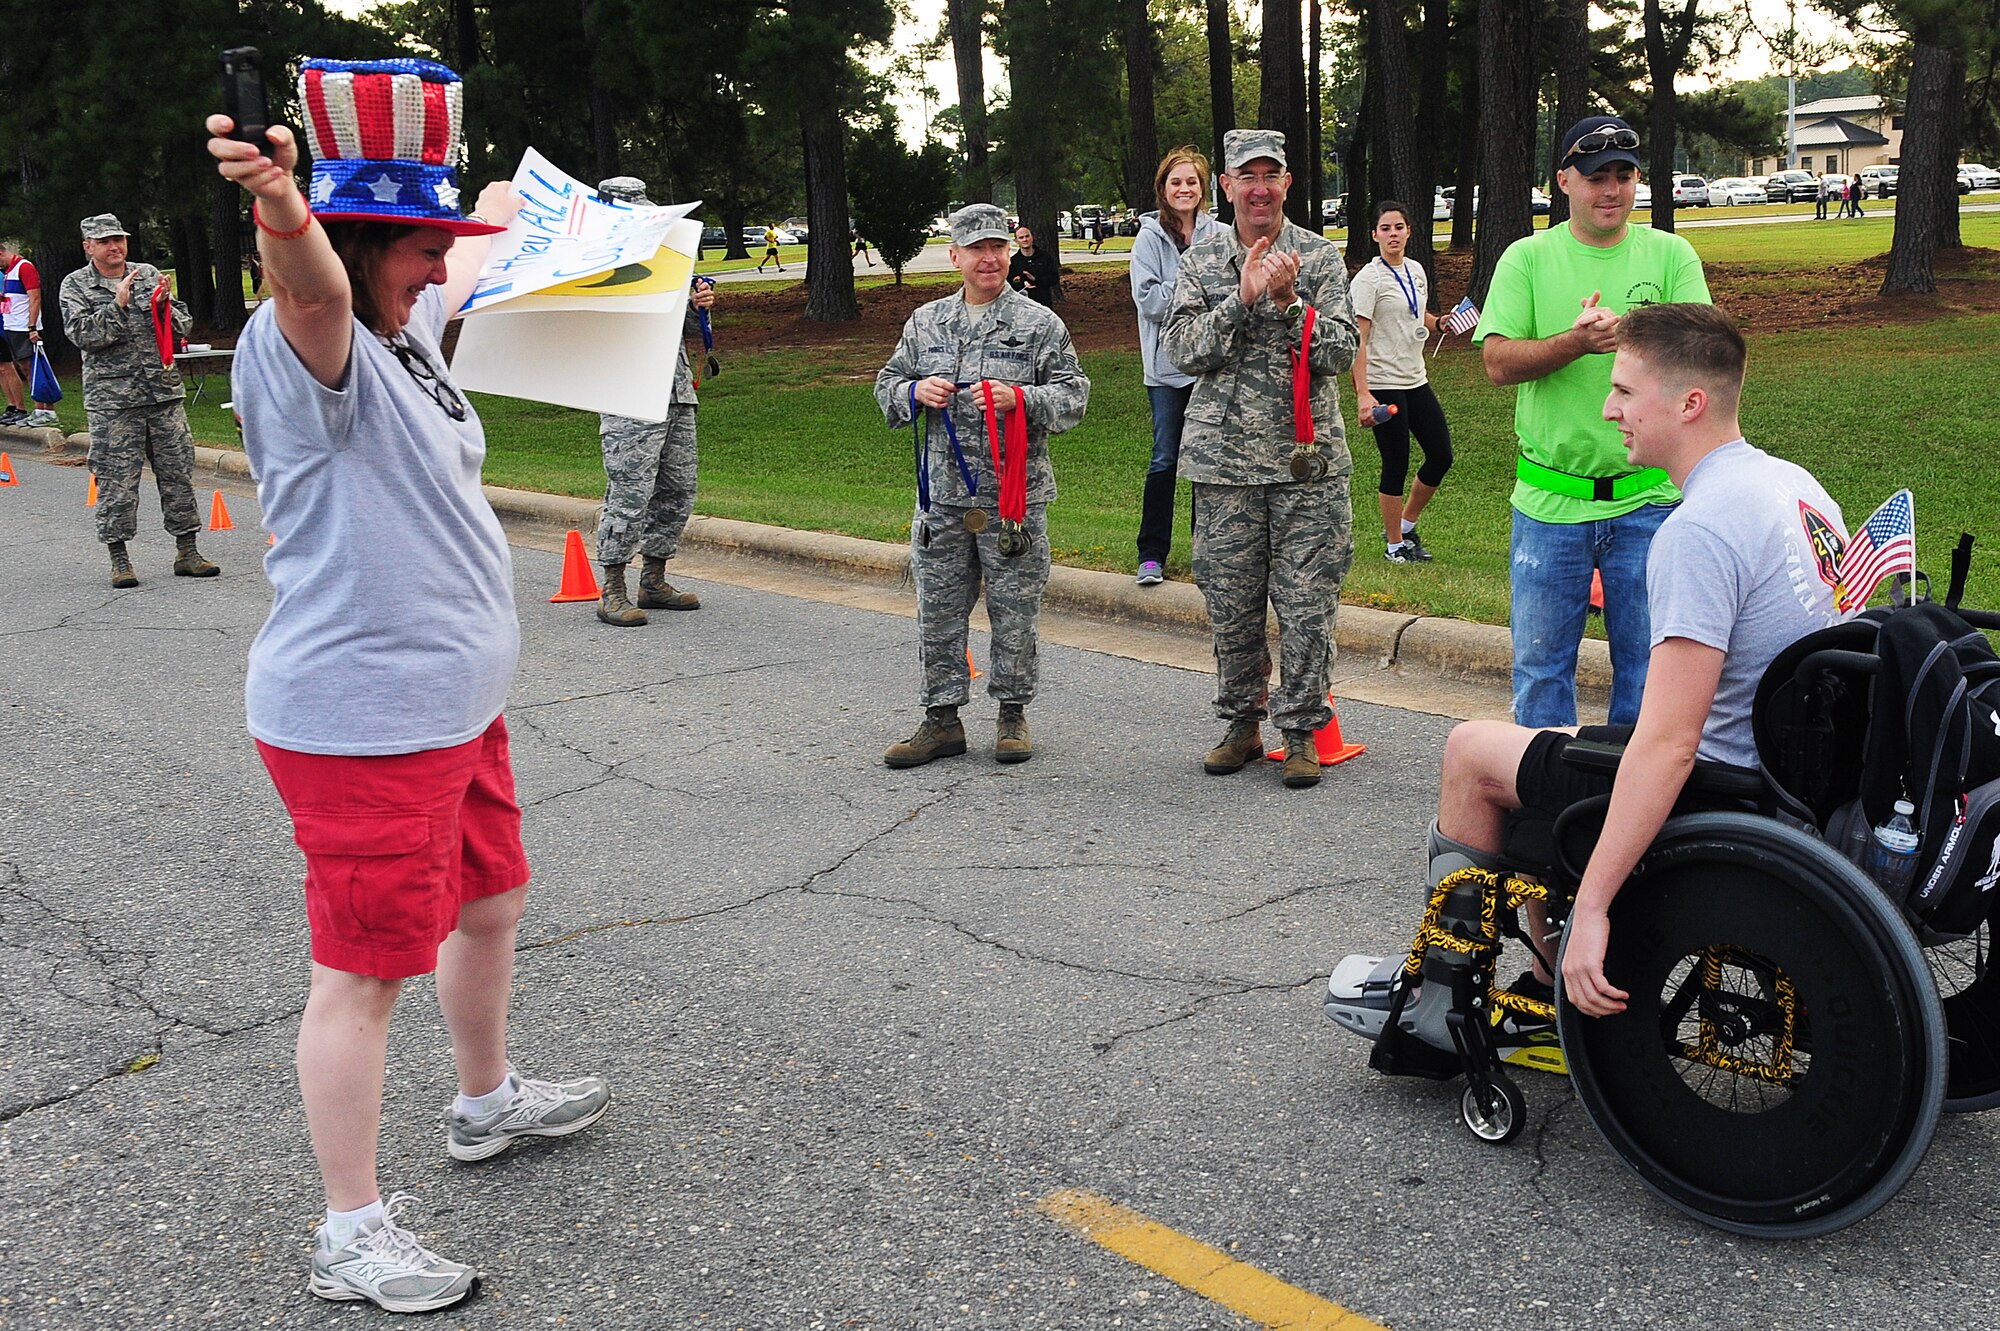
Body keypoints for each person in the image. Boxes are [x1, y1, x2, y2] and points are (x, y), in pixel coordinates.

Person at [206, 55, 609, 1314]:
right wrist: (285, 200)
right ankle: (350, 1228)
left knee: (488, 904)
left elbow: (485, 225)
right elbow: (310, 280)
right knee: (362, 974)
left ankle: (484, 1102)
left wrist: (511, 198)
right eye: (416, 247)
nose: (440, 266)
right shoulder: (310, 344)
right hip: (363, 722)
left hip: (453, 708)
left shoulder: (411, 326)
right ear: (360, 240)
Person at [1420, 302, 1849, 1016]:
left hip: (1720, 792)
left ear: (1689, 403)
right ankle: (1546, 982)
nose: (1609, 407)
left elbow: (1672, 744)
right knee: (1556, 742)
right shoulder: (1795, 486)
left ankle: (1450, 1006)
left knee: (1471, 749)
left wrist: (1593, 905)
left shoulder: (1697, 531)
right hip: (1783, 775)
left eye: (1623, 390)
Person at [1475, 114, 1709, 729]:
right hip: (1551, 505)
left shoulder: (1670, 254)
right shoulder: (1527, 258)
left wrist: (1628, 334)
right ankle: (1549, 803)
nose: (1611, 189)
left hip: (1649, 502)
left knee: (1651, 671)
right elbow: (1497, 362)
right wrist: (1574, 343)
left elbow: (1701, 358)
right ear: (1564, 183)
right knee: (1542, 669)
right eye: (1595, 176)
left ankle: (1632, 806)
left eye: (1623, 175)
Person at [1162, 127, 1359, 790]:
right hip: (1224, 469)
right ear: (1226, 186)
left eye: (1270, 175)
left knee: (1307, 604)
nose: (1258, 188)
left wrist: (1287, 301)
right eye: (1246, 176)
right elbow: (1182, 351)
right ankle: (1241, 724)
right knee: (1232, 602)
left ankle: (1300, 730)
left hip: (1307, 466)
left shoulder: (1321, 257)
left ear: (1287, 185)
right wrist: (1242, 297)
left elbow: (1337, 353)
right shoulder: (1202, 258)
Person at [872, 203, 1091, 768]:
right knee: (938, 609)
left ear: (1010, 252)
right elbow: (888, 384)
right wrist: (913, 394)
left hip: (1012, 500)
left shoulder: (1038, 325)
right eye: (976, 249)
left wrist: (1022, 398)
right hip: (942, 496)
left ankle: (1012, 713)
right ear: (955, 257)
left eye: (997, 247)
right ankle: (941, 719)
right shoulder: (926, 322)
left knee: (1015, 610)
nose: (988, 258)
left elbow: (1074, 397)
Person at [57, 215, 219, 587]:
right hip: (114, 402)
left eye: (119, 239)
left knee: (177, 473)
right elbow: (83, 335)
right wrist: (117, 306)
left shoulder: (148, 273)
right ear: (88, 246)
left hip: (162, 393)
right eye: (105, 242)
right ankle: (120, 559)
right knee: (117, 482)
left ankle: (187, 551)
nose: (114, 247)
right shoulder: (76, 285)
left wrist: (167, 307)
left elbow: (182, 323)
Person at [592, 175, 714, 626]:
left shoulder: (666, 258)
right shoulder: (591, 263)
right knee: (630, 491)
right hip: (628, 389)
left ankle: (654, 580)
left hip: (675, 388)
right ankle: (612, 588)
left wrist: (697, 306)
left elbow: (676, 327)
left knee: (678, 487)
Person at [1129, 146, 1226, 586]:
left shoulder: (1220, 234)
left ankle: (1206, 554)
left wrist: (1198, 295)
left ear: (1203, 188)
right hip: (1167, 371)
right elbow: (1149, 302)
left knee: (1209, 463)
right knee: (1166, 459)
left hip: (1211, 367)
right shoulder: (1149, 237)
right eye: (1176, 182)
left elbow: (1233, 296)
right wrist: (1196, 289)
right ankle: (1152, 554)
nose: (1184, 188)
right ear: (1163, 189)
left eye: (1191, 181)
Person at [1347, 201, 1455, 564]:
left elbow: (1415, 311)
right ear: (1374, 234)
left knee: (1441, 455)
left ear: (1409, 231)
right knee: (1396, 462)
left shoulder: (1416, 270)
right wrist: (1364, 394)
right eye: (1386, 228)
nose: (1393, 234)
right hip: (1384, 383)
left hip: (1415, 379)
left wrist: (1438, 322)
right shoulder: (1368, 279)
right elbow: (1358, 339)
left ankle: (1407, 525)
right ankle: (1394, 545)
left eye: (1399, 227)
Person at [0, 238, 58, 427]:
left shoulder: (24, 267)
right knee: (25, 369)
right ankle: (38, 408)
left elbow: (34, 298)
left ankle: (47, 410)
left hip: (24, 327)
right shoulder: (9, 272)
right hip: (12, 326)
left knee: (34, 369)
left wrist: (32, 327)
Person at [1007, 224, 1059, 308]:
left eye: (1027, 236)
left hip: (1043, 304)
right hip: (1023, 305)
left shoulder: (1045, 257)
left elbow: (1054, 278)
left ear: (1032, 237)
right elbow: (1009, 282)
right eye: (1021, 237)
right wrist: (1022, 284)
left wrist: (1035, 280)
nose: (1025, 239)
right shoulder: (1013, 261)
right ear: (1016, 241)